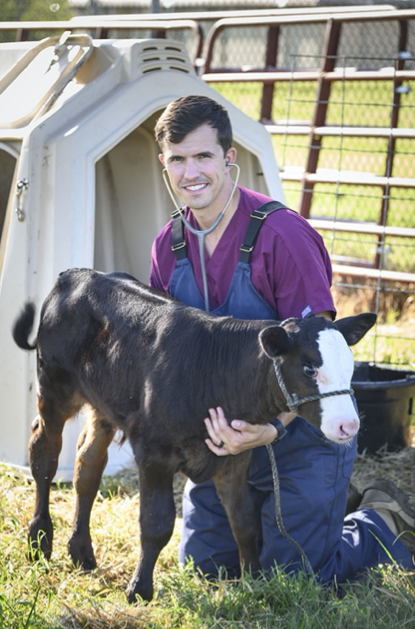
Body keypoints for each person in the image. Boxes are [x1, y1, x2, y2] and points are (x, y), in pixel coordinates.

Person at [149, 94, 415, 584]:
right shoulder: (169, 247)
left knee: (290, 577)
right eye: (178, 159)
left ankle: (381, 521)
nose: (192, 172)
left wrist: (272, 428)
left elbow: (323, 351)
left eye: (204, 156)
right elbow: (171, 357)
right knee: (206, 572)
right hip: (223, 443)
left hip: (302, 429)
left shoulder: (282, 236)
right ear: (164, 163)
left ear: (229, 158)